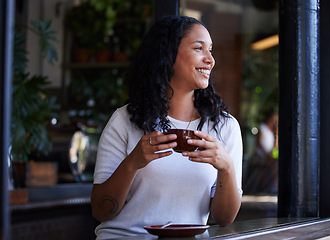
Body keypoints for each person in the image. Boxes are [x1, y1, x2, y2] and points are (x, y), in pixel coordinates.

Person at [91, 15, 243, 239]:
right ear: (168, 54)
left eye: (211, 50)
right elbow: (100, 211)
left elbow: (224, 218)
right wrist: (133, 162)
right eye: (199, 48)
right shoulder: (125, 120)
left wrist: (226, 168)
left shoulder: (224, 127)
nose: (210, 59)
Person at [244, 110, 278, 194]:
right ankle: (266, 187)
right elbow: (259, 144)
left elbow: (274, 146)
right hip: (260, 156)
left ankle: (271, 186)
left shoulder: (271, 131)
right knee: (275, 164)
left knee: (277, 163)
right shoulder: (262, 128)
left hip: (267, 155)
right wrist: (267, 155)